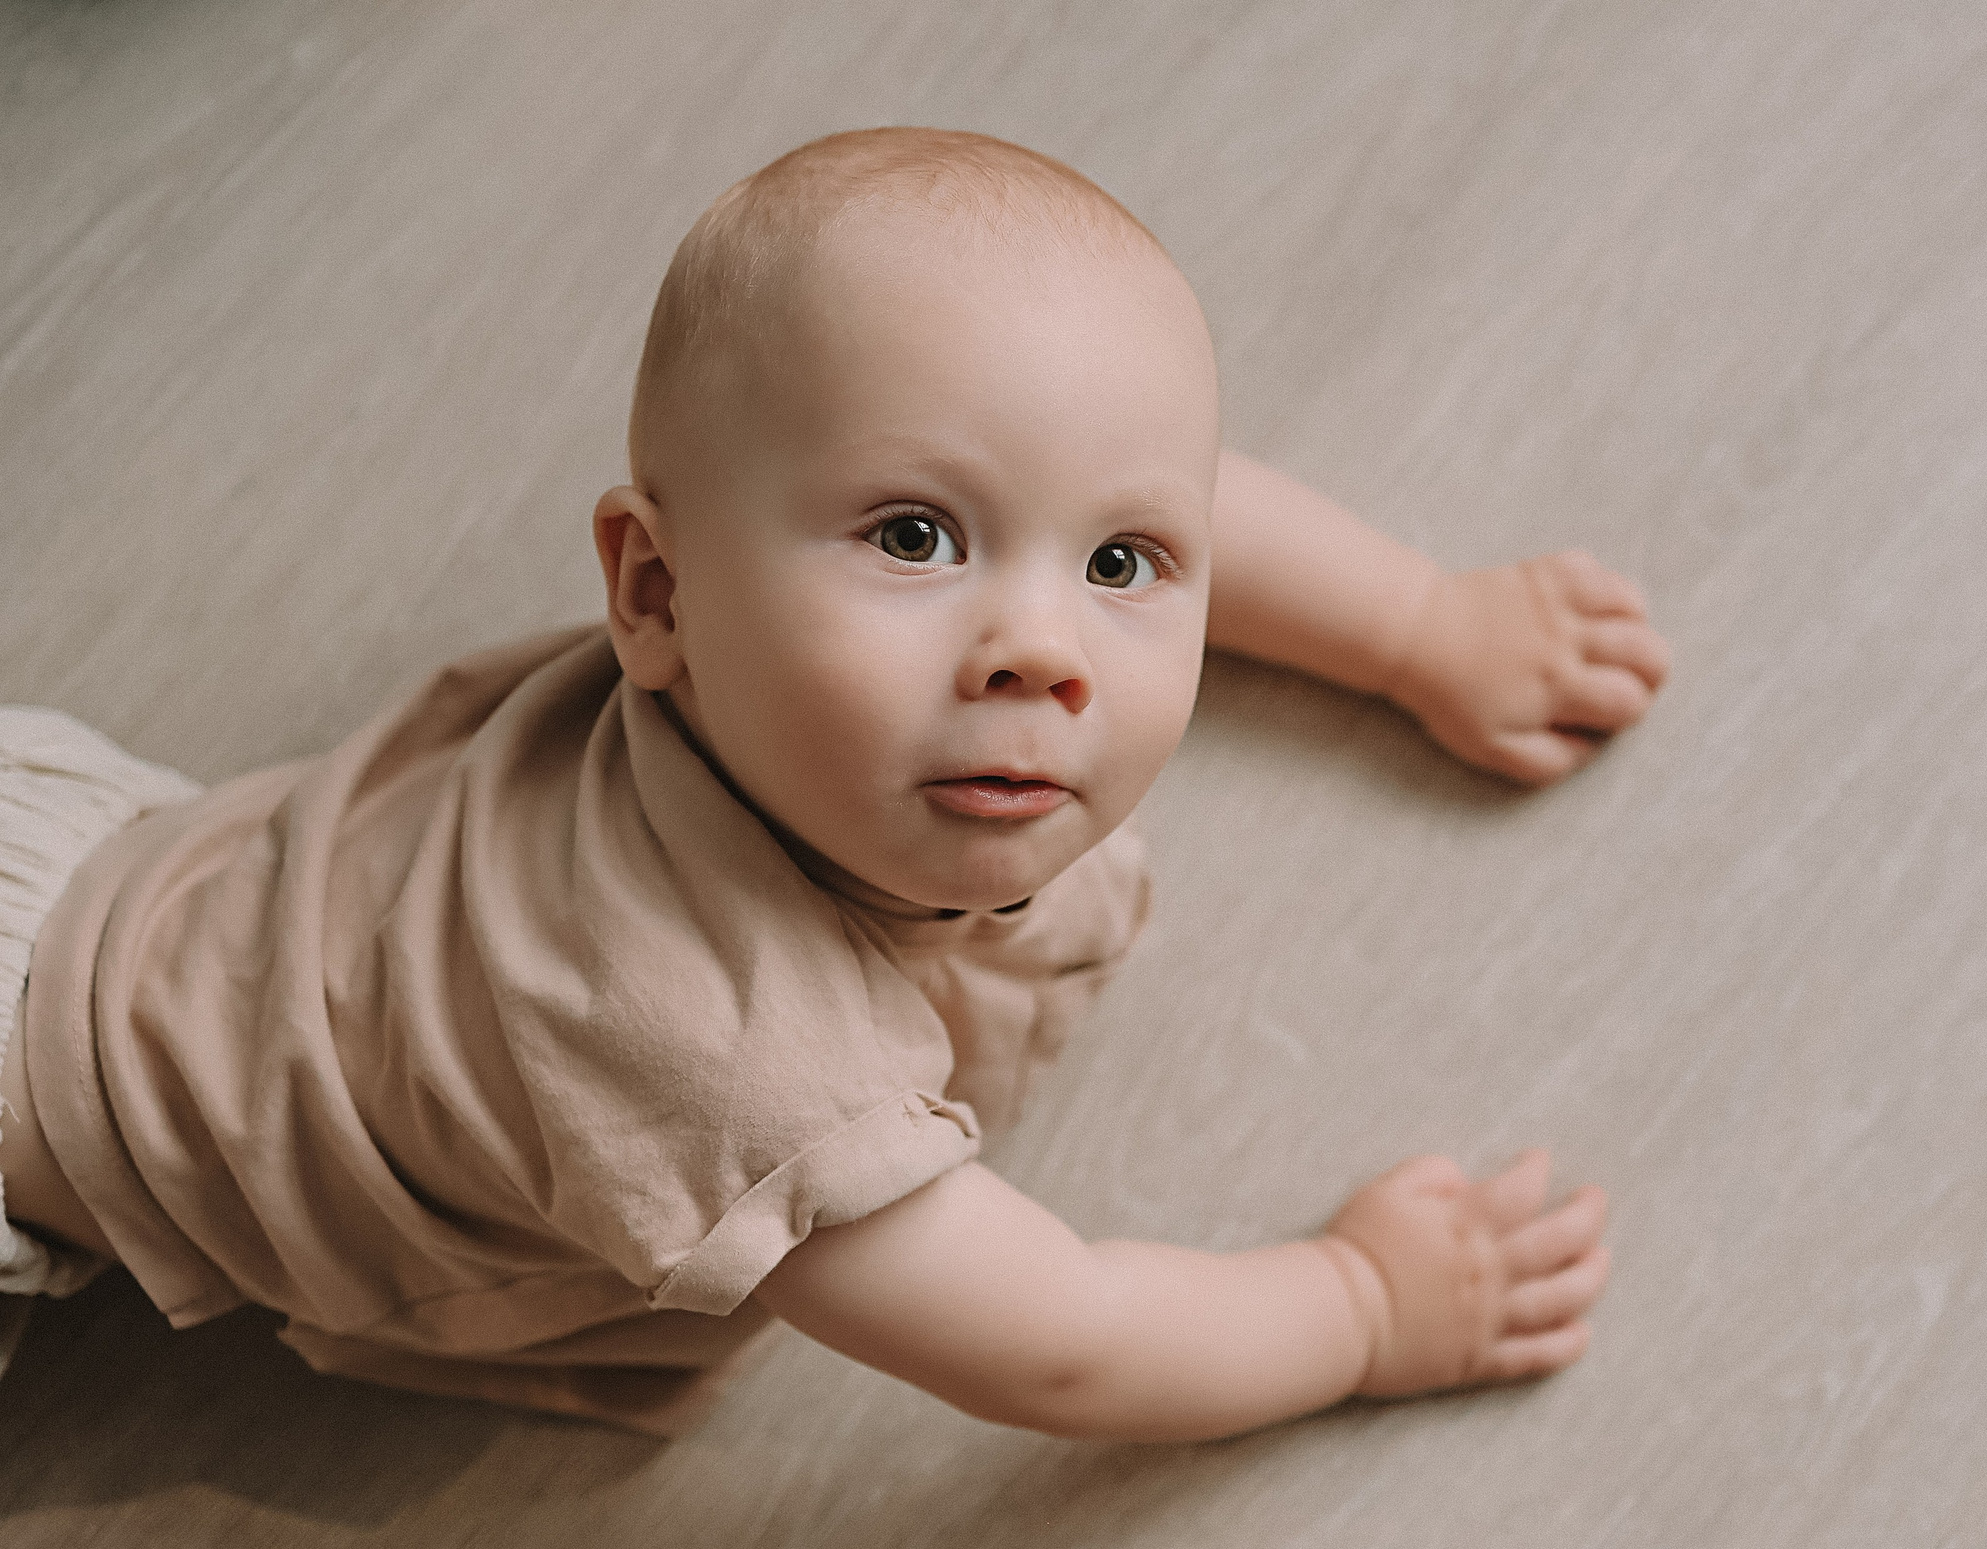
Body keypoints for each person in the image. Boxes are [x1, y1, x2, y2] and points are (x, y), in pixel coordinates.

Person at [0, 128, 1669, 1440]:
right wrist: (1361, 1307)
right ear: (656, 591)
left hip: (111, 872)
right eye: (916, 538)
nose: (1042, 646)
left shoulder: (780, 691)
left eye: (1117, 565)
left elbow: (1181, 489)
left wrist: (1421, 627)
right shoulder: (726, 1064)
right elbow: (1067, 1346)